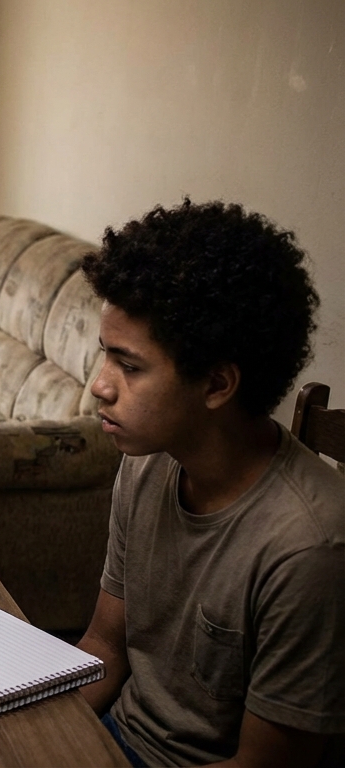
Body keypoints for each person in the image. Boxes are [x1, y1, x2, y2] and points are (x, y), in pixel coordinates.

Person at [75, 200, 345, 767]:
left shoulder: (307, 548)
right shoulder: (147, 460)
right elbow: (104, 646)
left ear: (217, 384)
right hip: (112, 737)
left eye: (129, 365)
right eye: (106, 356)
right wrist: (37, 740)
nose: (100, 386)